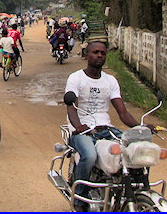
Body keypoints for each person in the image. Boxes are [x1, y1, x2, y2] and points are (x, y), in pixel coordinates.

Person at [65, 41, 154, 211]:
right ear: (86, 55)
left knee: (140, 149)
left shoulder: (110, 81)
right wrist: (78, 127)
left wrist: (141, 127)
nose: (99, 55)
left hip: (106, 129)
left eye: (103, 53)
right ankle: (80, 198)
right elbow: (71, 108)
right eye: (95, 52)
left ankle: (137, 190)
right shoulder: (76, 78)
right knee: (90, 156)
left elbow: (123, 113)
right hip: (82, 130)